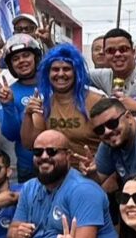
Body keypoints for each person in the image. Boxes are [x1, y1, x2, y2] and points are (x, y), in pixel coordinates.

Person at [20, 43, 106, 171]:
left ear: (77, 72)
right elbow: (29, 144)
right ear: (47, 74)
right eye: (55, 69)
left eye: (66, 69)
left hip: (93, 173)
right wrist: (28, 114)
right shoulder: (44, 104)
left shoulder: (97, 100)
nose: (60, 74)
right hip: (57, 175)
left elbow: (114, 141)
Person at [0, 34, 44, 182]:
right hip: (28, 169)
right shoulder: (8, 92)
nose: (22, 61)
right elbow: (11, 134)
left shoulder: (54, 85)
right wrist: (8, 105)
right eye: (15, 59)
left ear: (35, 57)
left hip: (60, 163)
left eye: (26, 55)